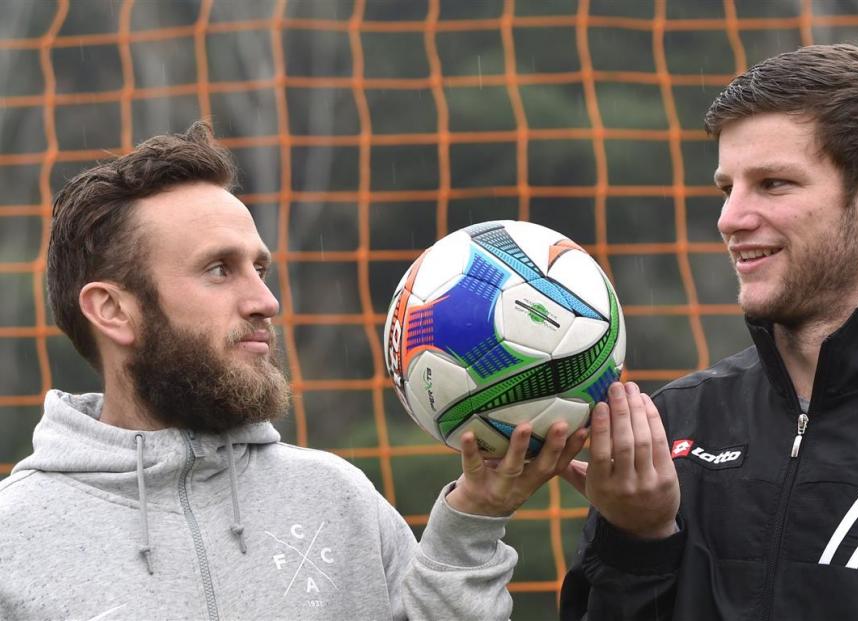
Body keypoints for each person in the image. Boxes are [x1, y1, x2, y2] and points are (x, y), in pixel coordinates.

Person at [0, 121, 587, 620]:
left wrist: (474, 520)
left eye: (260, 268)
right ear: (113, 310)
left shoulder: (336, 497)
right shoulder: (14, 540)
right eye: (218, 271)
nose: (265, 301)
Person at [560, 42, 858, 620]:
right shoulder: (673, 425)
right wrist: (637, 543)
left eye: (773, 183)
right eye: (727, 187)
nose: (730, 218)